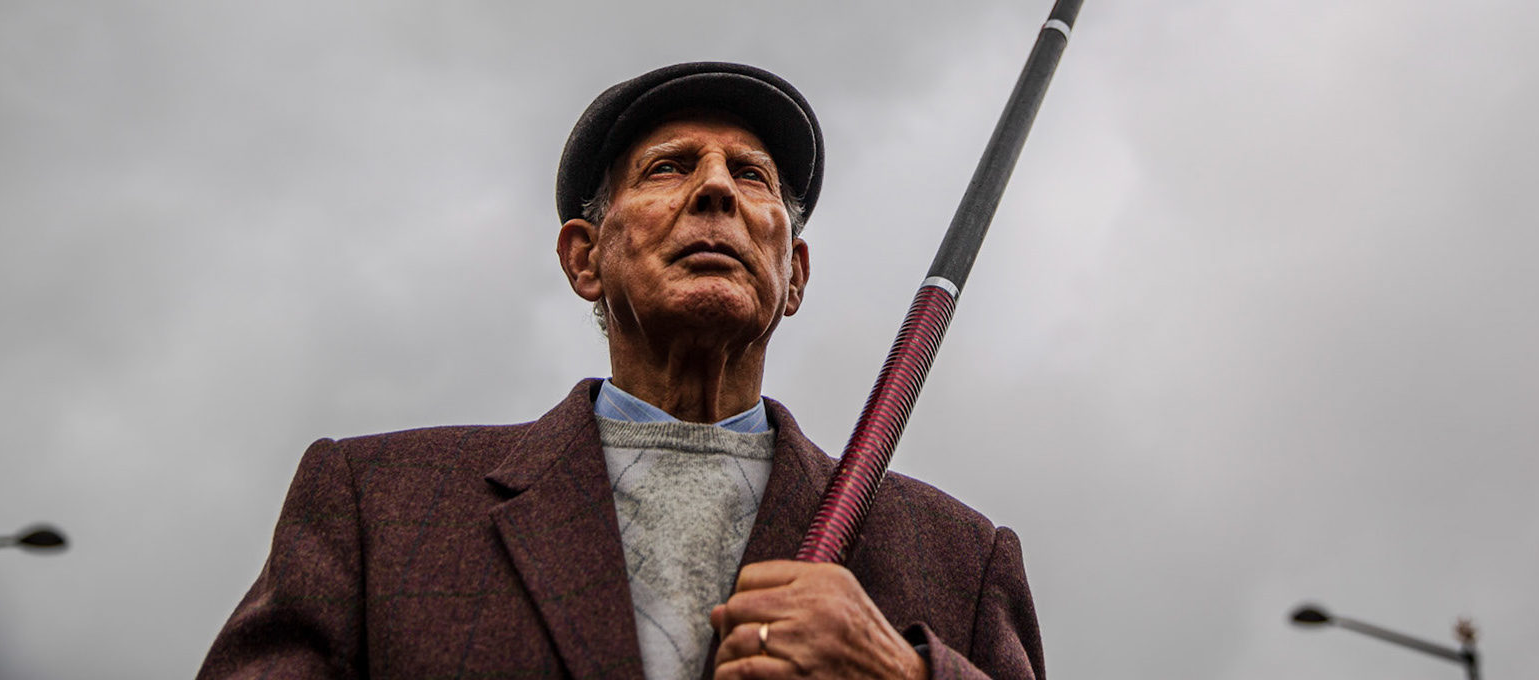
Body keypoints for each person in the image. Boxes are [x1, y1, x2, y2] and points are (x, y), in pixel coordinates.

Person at [198, 61, 1044, 680]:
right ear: (584, 259)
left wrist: (903, 678)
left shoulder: (959, 557)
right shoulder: (378, 503)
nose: (715, 191)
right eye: (669, 167)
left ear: (796, 275)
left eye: (751, 177)